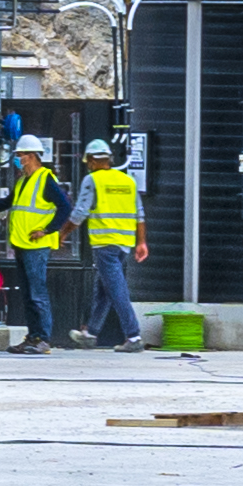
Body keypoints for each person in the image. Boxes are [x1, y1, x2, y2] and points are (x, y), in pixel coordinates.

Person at [2, 144, 72, 355]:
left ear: (31, 156)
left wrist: (48, 230)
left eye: (20, 155)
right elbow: (7, 202)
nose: (17, 159)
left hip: (36, 246)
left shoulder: (45, 179)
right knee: (28, 294)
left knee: (37, 293)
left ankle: (43, 339)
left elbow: (65, 207)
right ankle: (33, 337)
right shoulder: (23, 180)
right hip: (22, 244)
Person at [80, 141, 147, 348]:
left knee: (116, 290)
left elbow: (79, 213)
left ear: (91, 160)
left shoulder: (92, 180)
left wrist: (62, 234)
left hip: (104, 243)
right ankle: (91, 333)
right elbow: (140, 214)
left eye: (88, 162)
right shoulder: (127, 181)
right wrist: (141, 242)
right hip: (124, 244)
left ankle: (133, 336)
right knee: (104, 288)